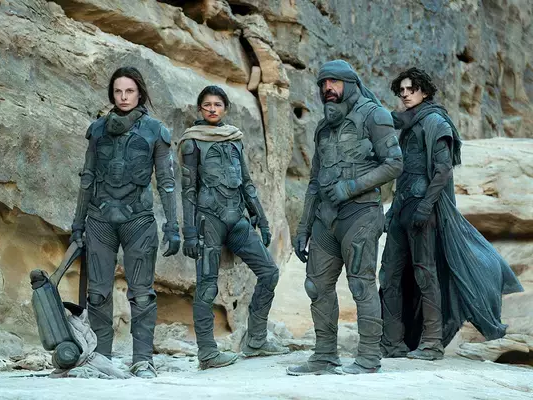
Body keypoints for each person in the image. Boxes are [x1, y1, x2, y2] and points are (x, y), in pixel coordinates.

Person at [380, 67, 523, 360]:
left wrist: (425, 206)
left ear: (424, 91)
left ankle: (432, 343)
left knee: (425, 273)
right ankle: (392, 342)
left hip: (423, 209)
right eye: (401, 90)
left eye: (410, 89)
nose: (405, 94)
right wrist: (394, 210)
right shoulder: (409, 124)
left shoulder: (435, 122)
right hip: (402, 207)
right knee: (390, 274)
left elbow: (443, 170)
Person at [287, 60, 403, 375]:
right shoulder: (323, 127)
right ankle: (325, 355)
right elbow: (314, 181)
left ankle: (368, 358)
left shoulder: (375, 115)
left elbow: (394, 163)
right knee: (316, 286)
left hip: (360, 214)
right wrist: (303, 227)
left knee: (362, 286)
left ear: (350, 84)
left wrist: (350, 187)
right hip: (325, 219)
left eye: (334, 82)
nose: (328, 89)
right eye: (323, 84)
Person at [70, 66, 180, 378]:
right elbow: (87, 178)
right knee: (97, 294)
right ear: (112, 94)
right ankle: (101, 358)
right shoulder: (97, 130)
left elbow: (167, 181)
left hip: (139, 221)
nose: (123, 96)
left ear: (139, 93)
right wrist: (78, 224)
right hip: (100, 220)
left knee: (142, 293)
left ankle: (143, 360)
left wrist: (173, 226)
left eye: (129, 91)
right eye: (118, 91)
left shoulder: (155, 130)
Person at [179, 85, 289, 370]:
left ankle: (256, 340)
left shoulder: (234, 138)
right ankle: (207, 353)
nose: (212, 109)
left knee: (269, 272)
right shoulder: (192, 142)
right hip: (209, 222)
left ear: (225, 108)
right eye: (207, 105)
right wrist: (189, 232)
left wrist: (261, 219)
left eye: (217, 104)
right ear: (199, 109)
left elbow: (247, 183)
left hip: (238, 220)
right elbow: (188, 190)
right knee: (206, 287)